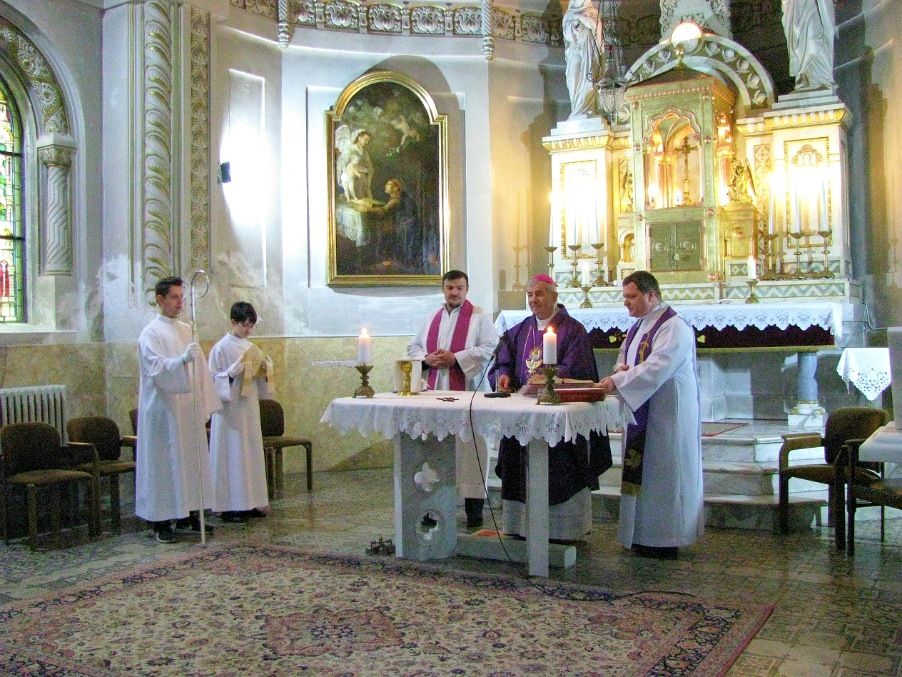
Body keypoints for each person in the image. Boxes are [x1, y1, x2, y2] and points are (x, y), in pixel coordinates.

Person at [491, 274, 612, 541]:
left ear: (555, 297)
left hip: (557, 415)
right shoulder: (520, 330)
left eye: (539, 294)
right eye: (530, 295)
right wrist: (504, 375)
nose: (533, 300)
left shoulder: (573, 330)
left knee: (560, 469)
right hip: (523, 412)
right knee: (518, 466)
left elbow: (577, 369)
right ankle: (519, 526)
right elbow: (503, 359)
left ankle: (562, 530)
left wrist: (548, 379)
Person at [595, 271, 703, 559]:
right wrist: (620, 371)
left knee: (665, 475)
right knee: (645, 474)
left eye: (632, 297)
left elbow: (658, 366)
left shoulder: (673, 326)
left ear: (651, 295)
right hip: (642, 412)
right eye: (625, 297)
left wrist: (618, 381)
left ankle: (667, 538)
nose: (626, 303)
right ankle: (643, 536)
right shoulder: (640, 326)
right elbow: (625, 356)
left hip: (667, 416)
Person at [408, 270, 499, 528]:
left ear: (467, 290)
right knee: (433, 447)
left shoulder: (479, 317)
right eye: (450, 287)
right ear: (443, 289)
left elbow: (490, 347)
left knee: (471, 449)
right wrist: (427, 359)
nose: (454, 292)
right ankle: (431, 508)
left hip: (468, 393)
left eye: (459, 288)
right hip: (436, 393)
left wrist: (456, 358)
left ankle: (474, 511)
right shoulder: (432, 317)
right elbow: (413, 347)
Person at [136, 276, 222, 543]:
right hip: (164, 410)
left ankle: (189, 514)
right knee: (166, 463)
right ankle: (161, 521)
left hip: (188, 410)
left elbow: (201, 370)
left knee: (191, 461)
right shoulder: (150, 333)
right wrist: (181, 360)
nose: (180, 302)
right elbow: (156, 368)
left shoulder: (187, 330)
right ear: (160, 299)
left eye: (182, 297)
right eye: (174, 297)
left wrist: (205, 401)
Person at [208, 302, 273, 523]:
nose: (248, 330)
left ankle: (250, 502)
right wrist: (230, 373)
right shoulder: (221, 348)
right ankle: (229, 506)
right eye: (245, 325)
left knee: (250, 452)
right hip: (229, 412)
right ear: (233, 322)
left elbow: (261, 381)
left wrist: (266, 368)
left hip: (248, 407)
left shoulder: (252, 348)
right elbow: (210, 381)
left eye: (251, 326)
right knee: (233, 455)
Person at [562, 0, 604, 119]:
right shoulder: (569, 14)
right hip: (574, 48)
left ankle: (588, 108)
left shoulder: (592, 12)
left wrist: (581, 18)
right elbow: (567, 35)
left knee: (588, 78)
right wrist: (574, 25)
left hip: (589, 49)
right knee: (572, 78)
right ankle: (576, 109)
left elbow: (597, 27)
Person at [781, 0, 835, 90]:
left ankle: (822, 79)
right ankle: (804, 77)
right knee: (799, 40)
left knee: (812, 40)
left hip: (813, 5)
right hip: (797, 7)